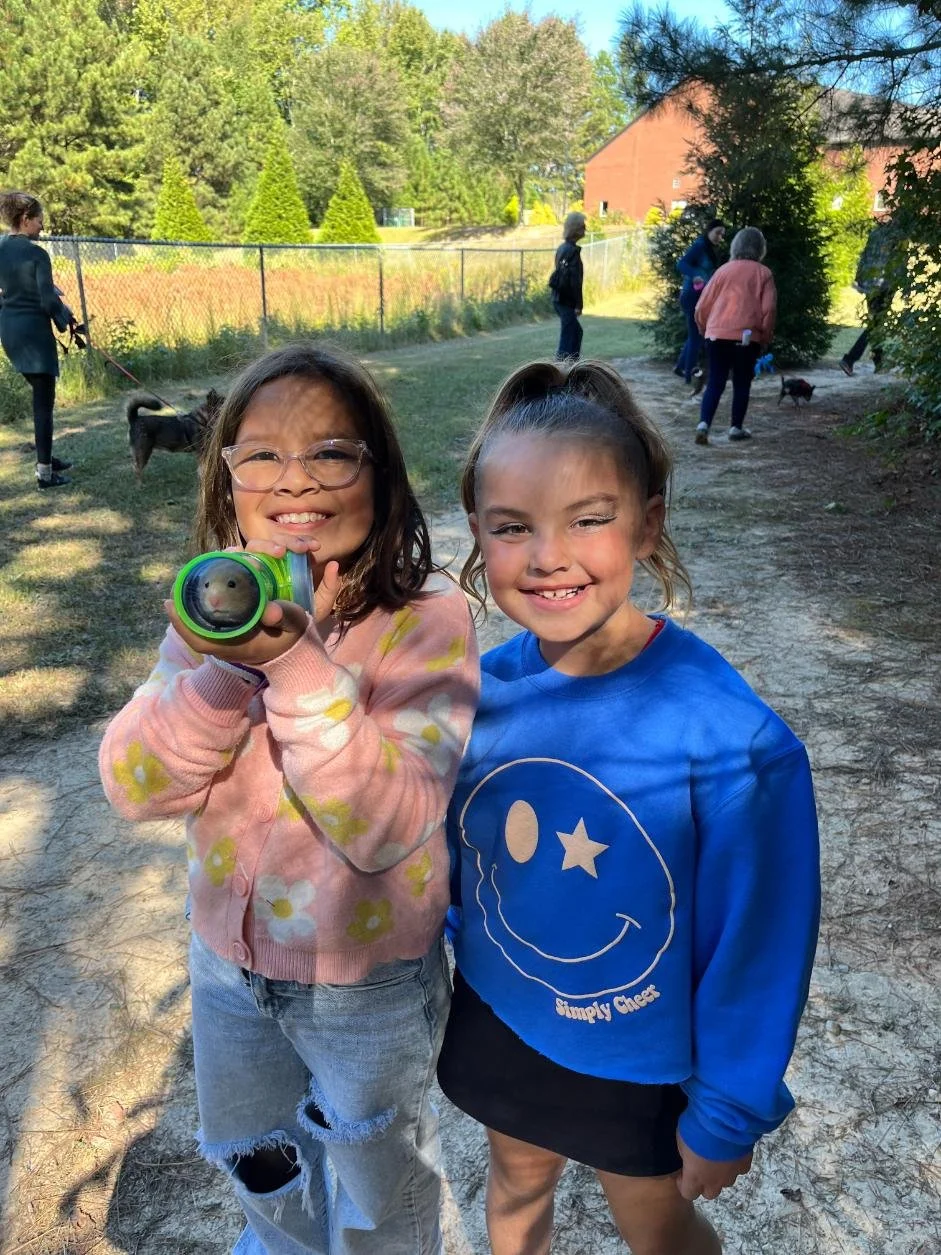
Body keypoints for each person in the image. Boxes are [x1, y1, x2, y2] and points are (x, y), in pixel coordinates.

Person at [99, 343, 479, 1255]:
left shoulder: (426, 619)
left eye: (330, 453)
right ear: (225, 480)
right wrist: (226, 672)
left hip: (367, 986)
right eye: (259, 453)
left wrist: (292, 665)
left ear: (379, 476)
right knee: (260, 1160)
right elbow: (135, 786)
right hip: (228, 970)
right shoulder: (210, 610)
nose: (293, 479)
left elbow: (387, 823)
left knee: (380, 1182)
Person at [437, 358, 820, 1255]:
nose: (548, 555)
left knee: (654, 1229)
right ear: (478, 537)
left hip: (641, 1058)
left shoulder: (731, 739)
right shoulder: (475, 696)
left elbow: (759, 941)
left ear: (647, 524)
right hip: (502, 1015)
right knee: (517, 1182)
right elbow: (463, 859)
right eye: (512, 527)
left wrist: (727, 1109)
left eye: (589, 519)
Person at [0, 190, 76, 489]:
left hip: (9, 331)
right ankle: (45, 473)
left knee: (39, 396)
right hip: (33, 335)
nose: (42, 225)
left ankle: (47, 456)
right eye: (39, 219)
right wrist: (66, 318)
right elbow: (47, 301)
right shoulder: (37, 254)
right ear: (26, 219)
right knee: (43, 403)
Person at [693, 227, 776, 445]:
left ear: (735, 246)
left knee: (715, 381)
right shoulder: (763, 274)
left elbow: (702, 306)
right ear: (760, 249)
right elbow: (768, 309)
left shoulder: (723, 271)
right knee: (742, 382)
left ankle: (703, 424)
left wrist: (704, 329)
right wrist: (765, 336)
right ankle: (735, 427)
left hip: (717, 334)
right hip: (747, 337)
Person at [839, 216, 900, 376]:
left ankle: (879, 363)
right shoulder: (899, 236)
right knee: (875, 326)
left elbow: (864, 255)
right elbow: (899, 262)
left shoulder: (876, 233)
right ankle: (850, 359)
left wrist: (859, 279)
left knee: (875, 324)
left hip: (869, 284)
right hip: (885, 285)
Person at [674, 218, 725, 384]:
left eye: (722, 235)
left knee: (695, 335)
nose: (719, 237)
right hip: (691, 296)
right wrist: (694, 274)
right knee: (697, 336)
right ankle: (688, 376)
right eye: (717, 233)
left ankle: (681, 367)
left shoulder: (710, 248)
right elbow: (681, 264)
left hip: (701, 297)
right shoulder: (699, 245)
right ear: (709, 230)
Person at [550, 212, 586, 361]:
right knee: (569, 334)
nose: (585, 228)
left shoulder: (562, 248)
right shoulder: (571, 251)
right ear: (576, 228)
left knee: (576, 331)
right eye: (583, 225)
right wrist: (578, 304)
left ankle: (572, 365)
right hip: (565, 299)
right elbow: (574, 281)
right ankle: (562, 369)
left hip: (559, 298)